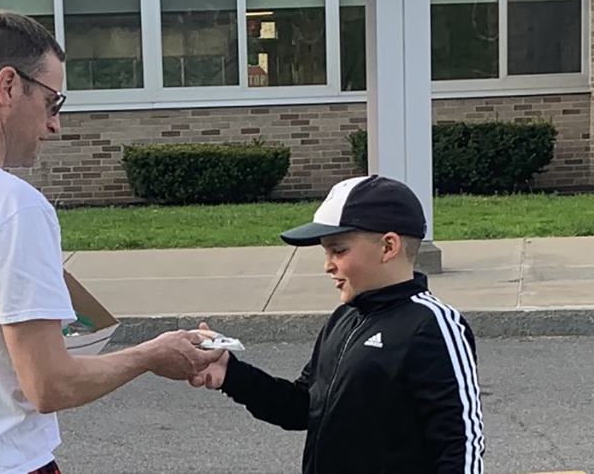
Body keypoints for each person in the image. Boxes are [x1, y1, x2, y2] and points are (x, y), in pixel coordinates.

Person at [0, 10, 223, 474]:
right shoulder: (12, 206)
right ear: (9, 86)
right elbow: (50, 384)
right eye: (53, 101)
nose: (55, 125)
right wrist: (151, 355)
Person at [190, 175, 485, 474]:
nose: (327, 265)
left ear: (388, 247)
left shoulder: (431, 324)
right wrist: (231, 373)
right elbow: (302, 406)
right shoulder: (344, 318)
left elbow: (461, 445)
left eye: (338, 250)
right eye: (325, 252)